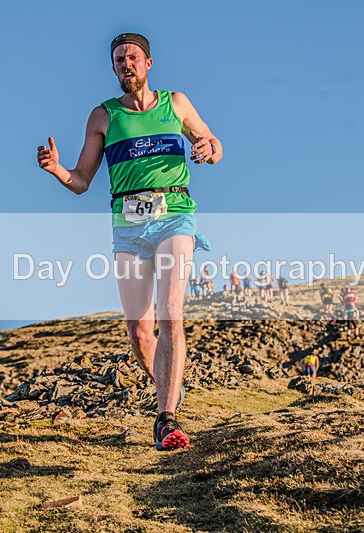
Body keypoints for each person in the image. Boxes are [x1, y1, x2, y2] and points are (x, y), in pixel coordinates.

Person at [37, 33, 223, 451]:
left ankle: (165, 419)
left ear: (148, 63)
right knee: (139, 333)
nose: (127, 64)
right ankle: (170, 385)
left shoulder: (176, 103)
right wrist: (57, 170)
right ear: (113, 67)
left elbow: (214, 145)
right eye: (119, 59)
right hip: (127, 225)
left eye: (133, 57)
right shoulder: (103, 117)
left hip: (174, 216)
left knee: (170, 312)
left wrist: (208, 149)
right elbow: (81, 181)